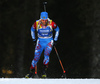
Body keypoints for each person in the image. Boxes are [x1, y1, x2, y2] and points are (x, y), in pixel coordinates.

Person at [25, 11, 60, 78]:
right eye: (42, 20)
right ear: (40, 19)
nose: (44, 21)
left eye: (45, 20)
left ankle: (44, 72)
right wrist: (34, 39)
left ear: (47, 19)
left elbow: (57, 29)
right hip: (40, 42)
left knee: (46, 55)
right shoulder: (37, 23)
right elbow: (32, 30)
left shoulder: (51, 23)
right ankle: (31, 72)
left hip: (49, 41)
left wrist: (55, 40)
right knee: (36, 57)